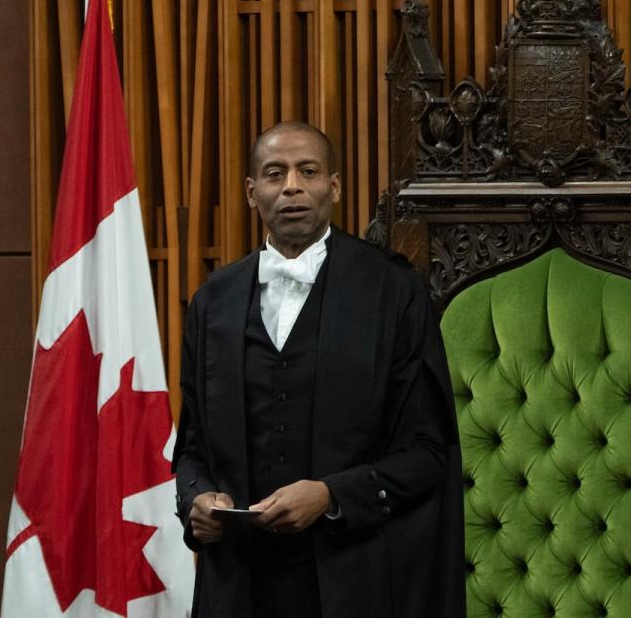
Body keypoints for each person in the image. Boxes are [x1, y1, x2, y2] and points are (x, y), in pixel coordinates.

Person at [172, 121, 465, 618]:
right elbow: (193, 446)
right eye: (274, 173)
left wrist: (331, 495)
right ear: (251, 192)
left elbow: (428, 452)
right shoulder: (212, 301)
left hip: (356, 580)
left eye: (308, 171)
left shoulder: (393, 292)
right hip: (239, 585)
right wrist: (197, 500)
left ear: (334, 186)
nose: (291, 185)